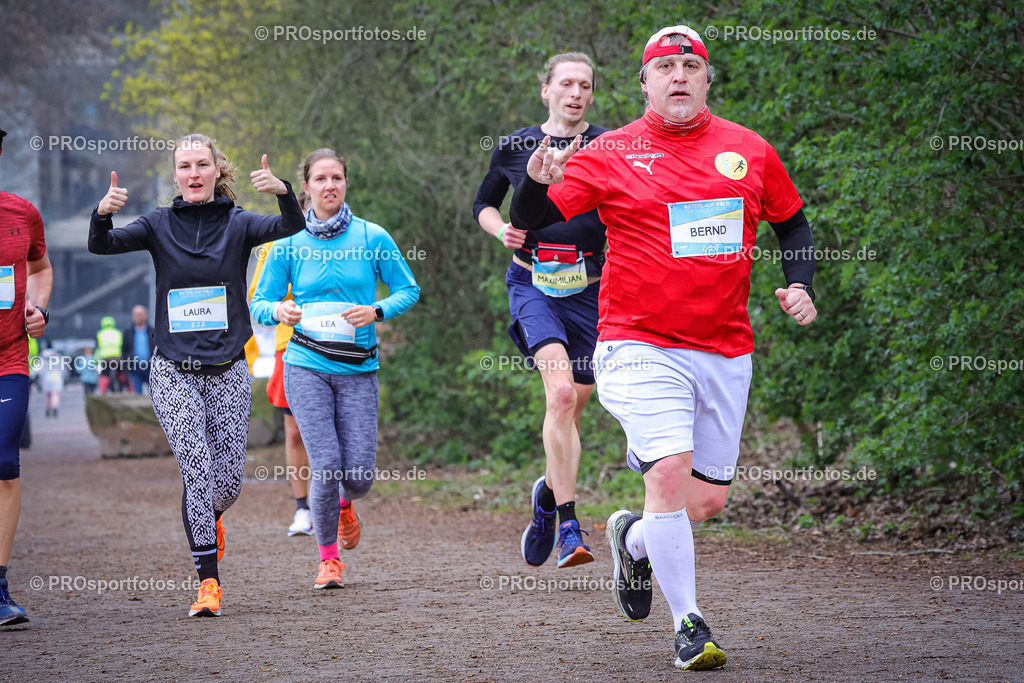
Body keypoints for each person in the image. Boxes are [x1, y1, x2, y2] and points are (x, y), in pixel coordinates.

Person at [510, 25, 817, 671]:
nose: (678, 76)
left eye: (689, 65)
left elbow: (791, 220)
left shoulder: (749, 150)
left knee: (704, 502)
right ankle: (690, 624)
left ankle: (634, 537)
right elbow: (533, 219)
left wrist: (798, 282)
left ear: (707, 78)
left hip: (725, 349)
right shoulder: (611, 151)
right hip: (636, 341)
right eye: (665, 67)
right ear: (644, 83)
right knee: (668, 470)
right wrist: (535, 180)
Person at [89, 133, 304, 617]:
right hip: (174, 370)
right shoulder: (157, 225)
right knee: (196, 470)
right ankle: (208, 580)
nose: (193, 173)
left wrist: (283, 190)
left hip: (227, 369)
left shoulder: (240, 222)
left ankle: (206, 518)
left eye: (201, 164)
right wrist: (103, 211)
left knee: (226, 485)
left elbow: (293, 226)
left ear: (215, 170)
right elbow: (100, 245)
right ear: (176, 175)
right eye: (184, 166)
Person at [251, 148, 419, 590]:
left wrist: (377, 311)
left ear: (346, 184)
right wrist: (279, 311)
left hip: (359, 368)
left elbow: (408, 289)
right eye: (321, 179)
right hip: (304, 364)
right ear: (304, 188)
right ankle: (328, 559)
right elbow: (259, 302)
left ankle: (347, 504)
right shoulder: (287, 242)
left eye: (337, 178)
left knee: (359, 476)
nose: (330, 186)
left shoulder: (372, 237)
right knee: (325, 462)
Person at [473, 52, 608, 569]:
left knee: (572, 404)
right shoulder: (516, 145)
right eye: (567, 83)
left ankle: (546, 499)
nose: (576, 93)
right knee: (559, 395)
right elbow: (484, 202)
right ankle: (570, 527)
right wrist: (498, 228)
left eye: (585, 86)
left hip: (593, 290)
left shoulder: (610, 145)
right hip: (533, 283)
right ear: (546, 90)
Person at [0, 125, 54, 626]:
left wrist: (37, 308)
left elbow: (40, 269)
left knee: (3, 462)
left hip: (9, 358)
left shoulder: (21, 212)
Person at [245, 226, 314, 537]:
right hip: (292, 342)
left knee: (334, 428)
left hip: (340, 342)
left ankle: (338, 502)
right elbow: (258, 296)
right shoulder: (277, 244)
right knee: (295, 431)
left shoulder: (349, 239)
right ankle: (303, 507)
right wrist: (281, 307)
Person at [122, 305, 155, 394]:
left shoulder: (152, 331)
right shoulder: (128, 332)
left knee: (154, 393)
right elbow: (124, 351)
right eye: (136, 314)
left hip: (150, 367)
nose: (138, 317)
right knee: (137, 393)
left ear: (145, 315)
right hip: (135, 367)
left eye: (140, 314)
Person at [95, 315, 124, 393]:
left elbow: (97, 349)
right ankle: (122, 389)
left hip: (105, 358)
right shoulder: (118, 333)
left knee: (104, 374)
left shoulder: (100, 334)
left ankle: (102, 391)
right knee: (120, 373)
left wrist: (96, 361)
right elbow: (122, 346)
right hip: (117, 357)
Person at [39, 344, 64, 418]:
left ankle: (47, 409)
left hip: (46, 377)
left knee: (47, 395)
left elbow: (38, 368)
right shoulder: (58, 356)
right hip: (56, 377)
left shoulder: (42, 356)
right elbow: (63, 368)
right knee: (55, 394)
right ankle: (55, 408)